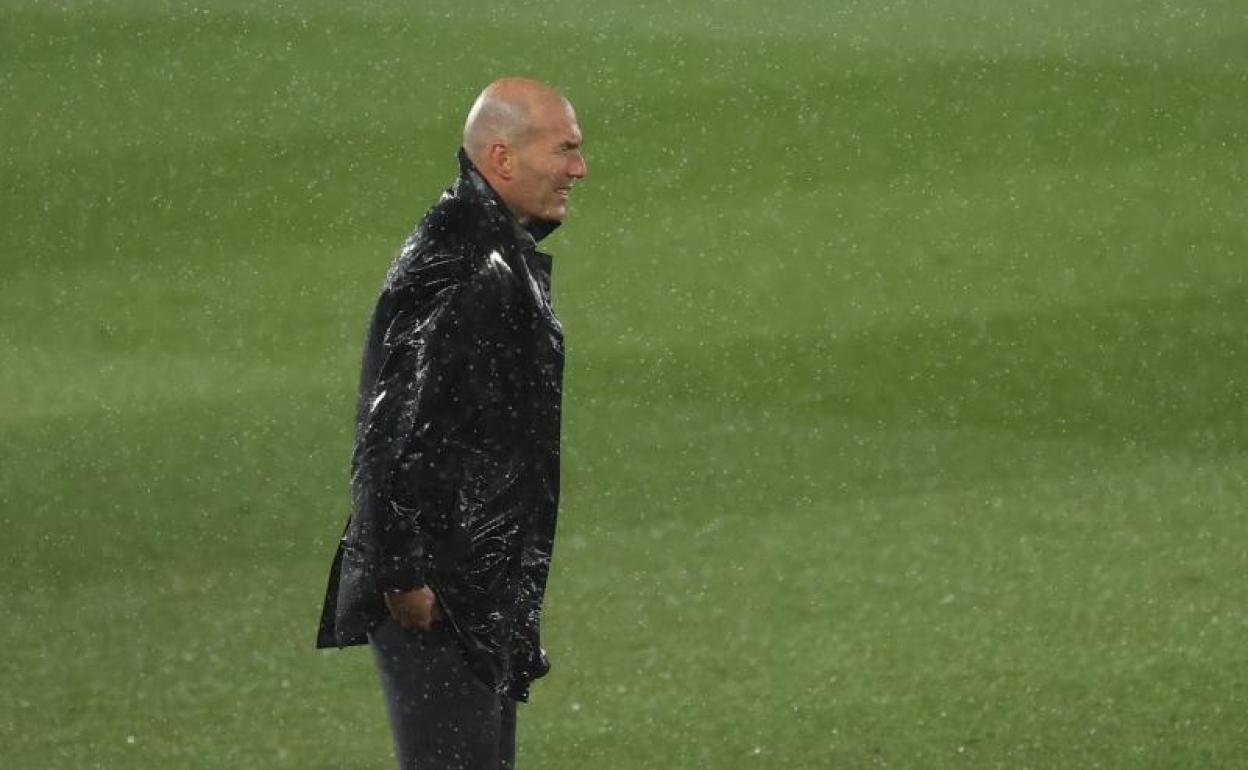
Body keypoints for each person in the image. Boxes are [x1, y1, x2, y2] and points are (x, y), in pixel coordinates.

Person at [316, 77, 587, 770]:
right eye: (565, 150)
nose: (578, 169)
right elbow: (390, 431)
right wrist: (405, 575)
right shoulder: (456, 263)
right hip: (441, 594)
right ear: (502, 158)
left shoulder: (491, 247)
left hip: (474, 582)